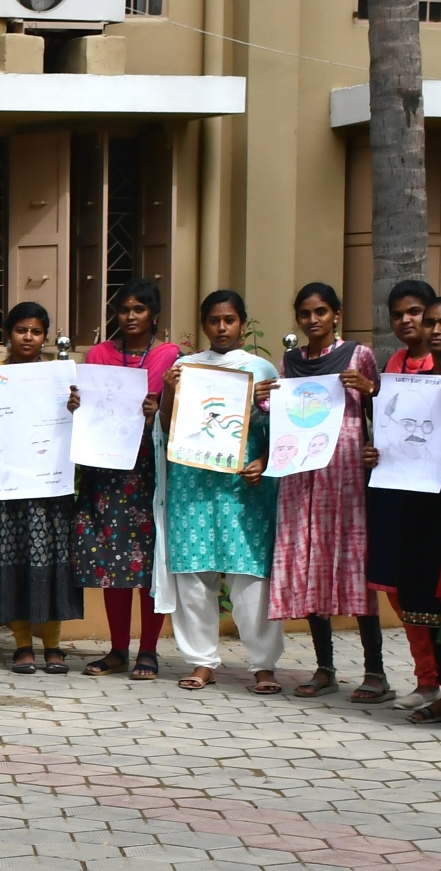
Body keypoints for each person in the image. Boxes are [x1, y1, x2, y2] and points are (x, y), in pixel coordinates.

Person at [159, 290, 282, 693]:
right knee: (193, 576)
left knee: (250, 577)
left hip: (242, 488)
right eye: (214, 320)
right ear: (204, 324)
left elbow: (279, 431)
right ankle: (200, 661)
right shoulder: (185, 368)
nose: (222, 328)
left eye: (229, 320)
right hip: (192, 486)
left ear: (242, 324)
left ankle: (263, 664)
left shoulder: (261, 369)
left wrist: (262, 462)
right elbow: (165, 426)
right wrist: (170, 391)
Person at [270, 283, 384, 700]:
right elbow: (286, 413)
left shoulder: (359, 356)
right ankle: (324, 668)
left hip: (346, 476)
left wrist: (370, 390)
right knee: (310, 562)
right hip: (302, 477)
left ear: (336, 313)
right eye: (305, 313)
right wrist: (268, 399)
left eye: (321, 311)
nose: (312, 320)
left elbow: (385, 414)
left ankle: (376, 672)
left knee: (354, 566)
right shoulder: (292, 360)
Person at [366, 280, 441, 714]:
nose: (425, 326)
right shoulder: (405, 372)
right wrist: (378, 450)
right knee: (414, 592)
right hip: (409, 495)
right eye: (422, 320)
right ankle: (439, 687)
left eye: (437, 320)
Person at [0, 302, 82, 673]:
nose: (28, 337)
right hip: (2, 488)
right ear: (8, 333)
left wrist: (74, 407)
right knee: (11, 560)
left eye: (36, 331)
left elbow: (79, 422)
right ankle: (22, 645)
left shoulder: (60, 378)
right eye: (21, 330)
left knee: (47, 562)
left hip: (46, 488)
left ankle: (53, 645)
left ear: (45, 337)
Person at [77, 280, 177, 679]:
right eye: (123, 309)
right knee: (110, 563)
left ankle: (148, 651)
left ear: (154, 316)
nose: (131, 316)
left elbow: (179, 414)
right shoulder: (99, 355)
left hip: (148, 470)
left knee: (147, 562)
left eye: (139, 309)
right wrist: (76, 403)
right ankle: (118, 649)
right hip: (105, 471)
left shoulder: (170, 357)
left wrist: (162, 405)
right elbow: (88, 408)